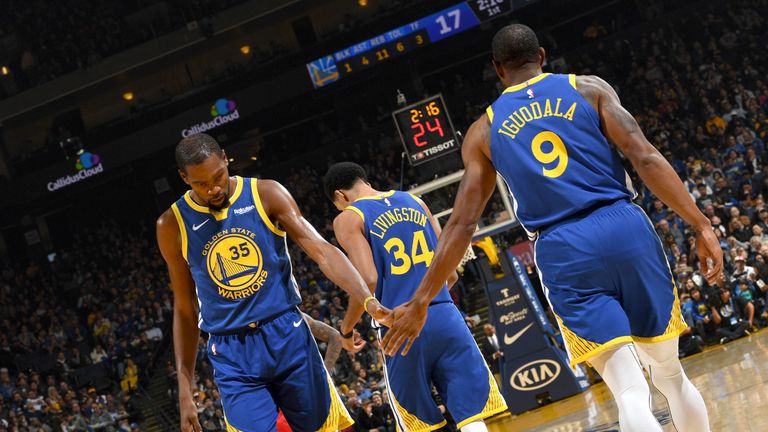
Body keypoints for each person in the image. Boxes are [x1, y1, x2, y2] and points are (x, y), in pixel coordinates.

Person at [381, 24, 723, 432]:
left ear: (497, 69)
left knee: (629, 390)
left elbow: (462, 222)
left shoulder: (483, 131)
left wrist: (421, 299)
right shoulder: (589, 89)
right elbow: (644, 156)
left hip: (563, 248)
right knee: (669, 375)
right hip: (624, 226)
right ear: (542, 56)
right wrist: (701, 224)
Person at [156, 133, 392, 432]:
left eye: (218, 175)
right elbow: (185, 309)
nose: (214, 188)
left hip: (287, 333)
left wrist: (367, 300)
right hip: (232, 352)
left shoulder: (265, 193)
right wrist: (185, 388)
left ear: (226, 158)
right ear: (183, 177)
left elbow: (321, 250)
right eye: (201, 184)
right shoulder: (171, 224)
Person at [323, 162, 507, 432]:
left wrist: (346, 329)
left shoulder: (348, 218)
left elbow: (367, 282)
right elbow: (451, 273)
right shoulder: (414, 201)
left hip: (399, 326)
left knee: (419, 423)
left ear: (340, 195)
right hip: (444, 314)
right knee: (470, 416)